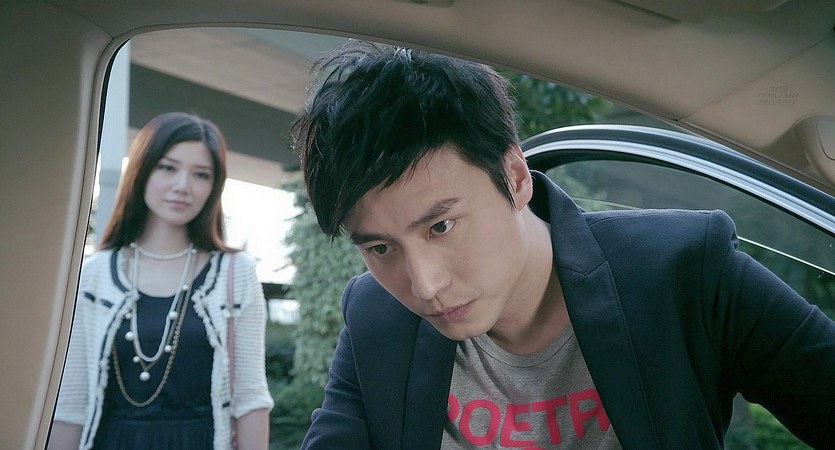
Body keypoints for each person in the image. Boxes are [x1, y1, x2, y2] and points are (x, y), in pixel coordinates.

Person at [291, 42, 835, 449]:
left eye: (442, 227)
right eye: (381, 248)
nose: (425, 285)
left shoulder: (683, 270)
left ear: (514, 177)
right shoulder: (377, 317)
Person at [50, 112, 274, 450]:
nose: (182, 185)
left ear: (214, 186)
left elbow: (251, 398)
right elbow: (71, 403)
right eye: (168, 168)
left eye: (201, 174)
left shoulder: (234, 272)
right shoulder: (95, 274)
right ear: (142, 171)